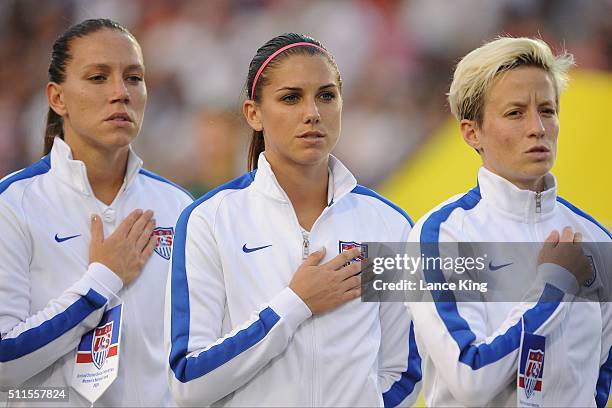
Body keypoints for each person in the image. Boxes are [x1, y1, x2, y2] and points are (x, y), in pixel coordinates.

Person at [166, 33, 421, 406]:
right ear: (253, 114)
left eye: (326, 95)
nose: (313, 112)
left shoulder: (389, 223)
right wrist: (295, 303)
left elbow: (405, 372)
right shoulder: (209, 221)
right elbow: (189, 382)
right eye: (290, 98)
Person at [407, 37, 611, 407]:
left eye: (547, 110)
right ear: (472, 132)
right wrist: (553, 286)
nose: (537, 127)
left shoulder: (599, 240)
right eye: (515, 113)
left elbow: (599, 381)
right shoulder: (442, 234)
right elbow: (470, 378)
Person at [0, 19, 193, 406]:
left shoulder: (180, 208)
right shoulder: (12, 204)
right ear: (57, 98)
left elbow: (199, 357)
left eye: (134, 78)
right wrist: (102, 280)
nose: (120, 93)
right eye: (98, 77)